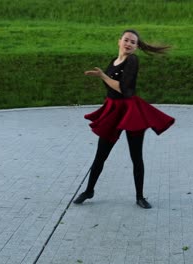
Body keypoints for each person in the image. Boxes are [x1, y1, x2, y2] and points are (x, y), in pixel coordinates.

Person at [73, 29, 175, 209]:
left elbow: (124, 89)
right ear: (119, 41)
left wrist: (103, 76)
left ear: (135, 47)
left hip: (130, 111)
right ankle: (89, 190)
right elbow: (110, 89)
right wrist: (103, 76)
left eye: (133, 42)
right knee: (100, 155)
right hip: (113, 110)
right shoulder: (113, 61)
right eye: (126, 40)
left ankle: (140, 197)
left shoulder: (133, 60)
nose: (129, 44)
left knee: (136, 156)